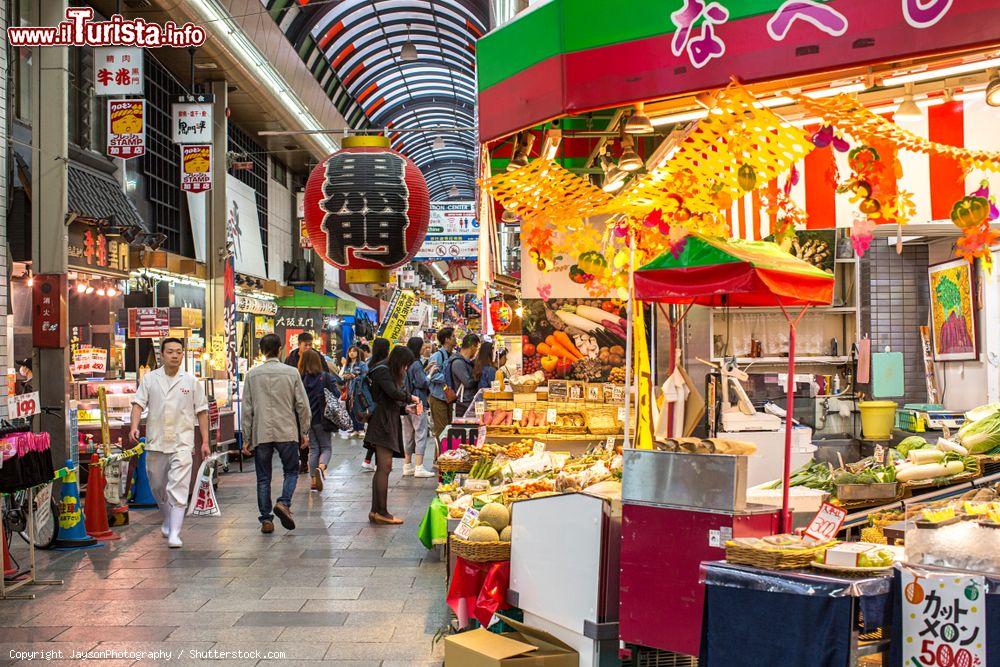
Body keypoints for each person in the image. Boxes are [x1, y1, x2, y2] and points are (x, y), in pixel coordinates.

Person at [129, 338, 210, 548]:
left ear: (183, 354)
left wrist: (205, 442)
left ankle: (175, 533)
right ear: (162, 355)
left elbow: (202, 412)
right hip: (155, 442)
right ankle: (167, 518)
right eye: (170, 352)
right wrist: (134, 426)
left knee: (178, 487)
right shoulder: (150, 379)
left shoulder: (191, 381)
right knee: (157, 485)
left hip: (182, 442)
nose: (175, 355)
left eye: (178, 352)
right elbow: (138, 404)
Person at [241, 333, 312, 534]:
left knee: (263, 478)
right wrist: (305, 430)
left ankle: (266, 520)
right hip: (287, 430)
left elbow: (247, 409)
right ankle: (284, 502)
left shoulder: (252, 375)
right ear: (280, 349)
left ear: (261, 351)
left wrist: (246, 437)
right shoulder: (291, 373)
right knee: (291, 470)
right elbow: (302, 405)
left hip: (261, 431)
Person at [364, 345, 420, 525]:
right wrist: (410, 397)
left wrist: (405, 408)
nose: (405, 369)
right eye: (405, 365)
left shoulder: (384, 371)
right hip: (382, 424)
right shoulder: (383, 372)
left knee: (383, 467)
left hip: (385, 421)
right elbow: (392, 393)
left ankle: (376, 511)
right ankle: (381, 512)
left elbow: (390, 401)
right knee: (384, 467)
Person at [299, 348, 339, 492]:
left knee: (313, 449)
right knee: (326, 447)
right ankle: (321, 468)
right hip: (323, 419)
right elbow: (336, 393)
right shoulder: (326, 377)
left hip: (307, 420)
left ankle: (314, 482)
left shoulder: (300, 379)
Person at [402, 337, 434, 478]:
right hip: (417, 402)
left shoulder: (404, 363)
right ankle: (419, 466)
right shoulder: (416, 364)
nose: (424, 349)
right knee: (420, 433)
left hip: (405, 402)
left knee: (408, 434)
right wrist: (430, 374)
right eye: (422, 347)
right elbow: (422, 382)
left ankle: (407, 465)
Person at [360, 338, 390, 471]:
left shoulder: (369, 364)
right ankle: (377, 463)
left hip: (370, 404)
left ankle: (369, 461)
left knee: (374, 434)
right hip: (380, 405)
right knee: (379, 437)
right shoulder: (384, 366)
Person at [426, 327, 456, 445]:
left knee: (448, 429)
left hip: (448, 398)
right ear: (447, 339)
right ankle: (438, 460)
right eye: (453, 336)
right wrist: (449, 377)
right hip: (438, 397)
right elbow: (432, 375)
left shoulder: (452, 355)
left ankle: (445, 458)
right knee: (441, 430)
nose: (455, 339)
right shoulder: (437, 356)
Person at [448, 333, 480, 419]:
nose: (476, 350)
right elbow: (468, 383)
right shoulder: (458, 362)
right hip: (462, 404)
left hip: (468, 401)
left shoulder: (466, 362)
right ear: (473, 346)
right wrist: (478, 377)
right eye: (476, 347)